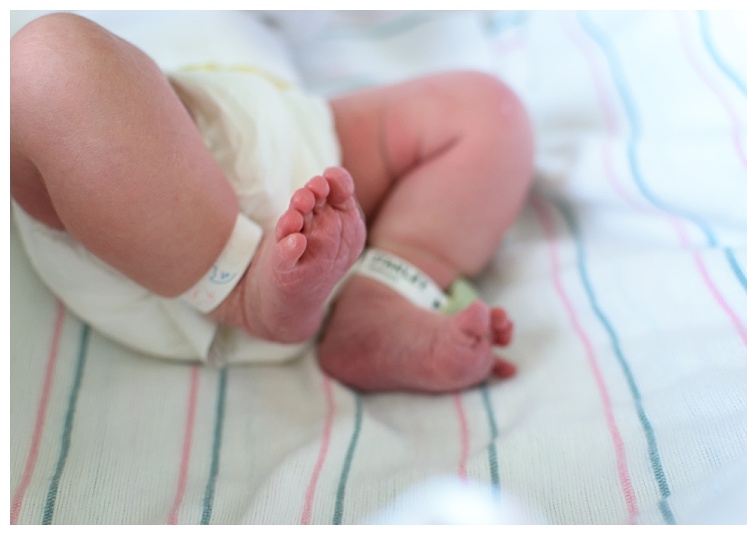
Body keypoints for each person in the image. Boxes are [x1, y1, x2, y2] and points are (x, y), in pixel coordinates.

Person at [10, 13, 535, 393]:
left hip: (277, 124)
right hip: (116, 180)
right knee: (47, 62)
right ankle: (245, 293)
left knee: (489, 110)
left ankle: (383, 298)